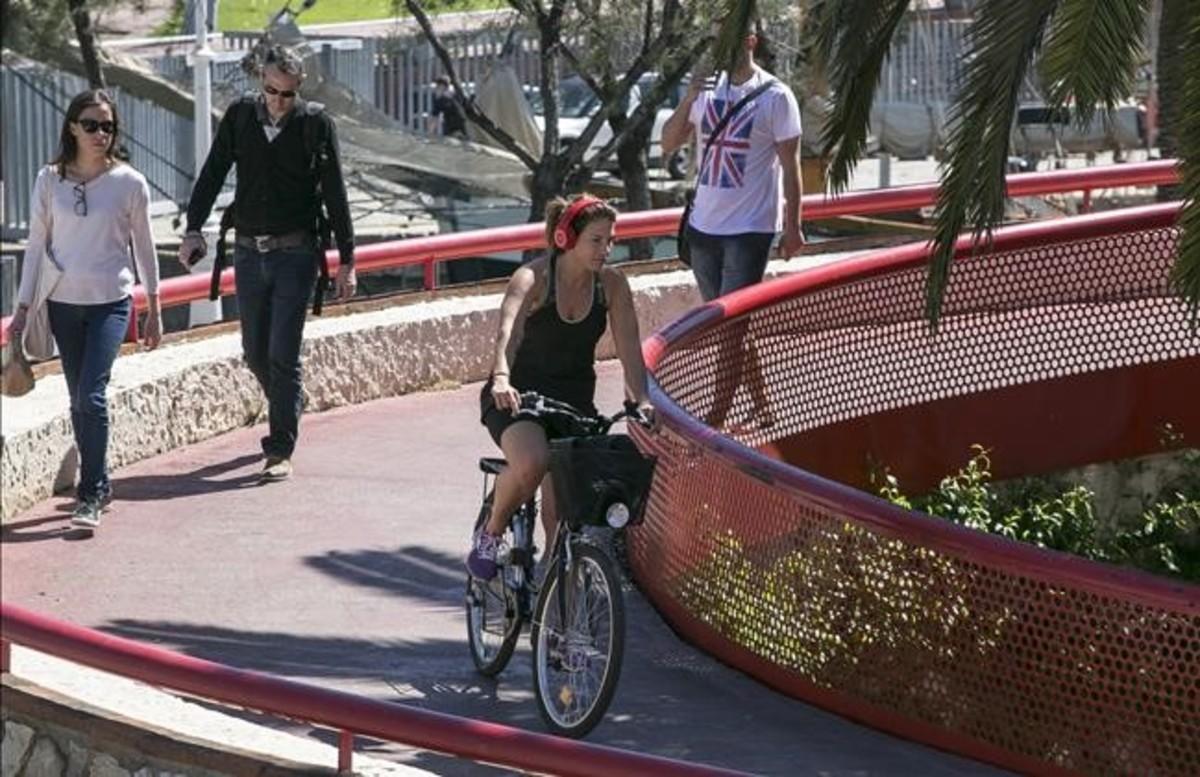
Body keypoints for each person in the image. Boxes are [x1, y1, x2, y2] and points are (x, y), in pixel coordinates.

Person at [177, 44, 356, 483]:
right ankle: (288, 403)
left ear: (299, 90)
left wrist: (347, 260)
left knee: (283, 354)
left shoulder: (315, 125)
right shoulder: (240, 118)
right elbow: (214, 171)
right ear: (261, 81)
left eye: (287, 94)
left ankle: (279, 449)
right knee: (255, 352)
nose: (277, 102)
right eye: (271, 91)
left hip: (296, 252)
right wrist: (193, 226)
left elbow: (335, 192)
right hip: (247, 251)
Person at [467, 194, 654, 580]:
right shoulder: (533, 278)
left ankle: (554, 609)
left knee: (564, 517)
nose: (606, 249)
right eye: (596, 240)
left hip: (574, 407)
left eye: (610, 240)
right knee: (533, 462)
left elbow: (631, 352)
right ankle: (491, 532)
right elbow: (508, 334)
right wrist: (500, 376)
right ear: (567, 238)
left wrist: (642, 400)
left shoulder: (612, 286)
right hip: (519, 398)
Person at [8, 89, 163, 529]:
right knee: (78, 399)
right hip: (61, 304)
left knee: (91, 396)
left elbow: (145, 249)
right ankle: (99, 483)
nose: (100, 134)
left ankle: (90, 493)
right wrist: (22, 309)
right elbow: (36, 247)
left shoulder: (130, 183)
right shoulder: (48, 180)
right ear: (73, 126)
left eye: (108, 126)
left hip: (111, 304)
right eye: (91, 124)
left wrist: (154, 306)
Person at [661, 22, 804, 430]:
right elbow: (669, 142)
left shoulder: (776, 96)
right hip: (704, 226)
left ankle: (713, 421)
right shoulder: (706, 90)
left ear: (750, 42)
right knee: (730, 327)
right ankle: (764, 408)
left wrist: (793, 226)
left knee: (727, 328)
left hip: (750, 228)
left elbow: (792, 168)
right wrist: (689, 94)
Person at [429, 75, 468, 139]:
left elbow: (434, 118)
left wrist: (429, 134)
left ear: (442, 86)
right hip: (462, 125)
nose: (436, 88)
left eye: (438, 86)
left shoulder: (441, 99)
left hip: (453, 127)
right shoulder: (456, 95)